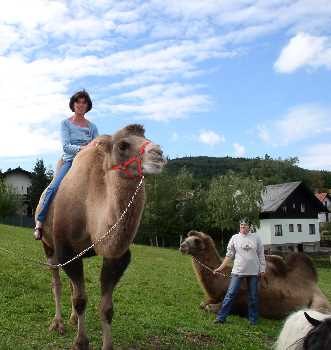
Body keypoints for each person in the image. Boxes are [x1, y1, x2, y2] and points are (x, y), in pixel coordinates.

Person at [33, 90, 99, 240]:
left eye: (84, 102)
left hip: (89, 163)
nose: (81, 105)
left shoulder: (92, 127)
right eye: (78, 102)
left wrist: (93, 148)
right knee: (54, 187)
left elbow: (97, 145)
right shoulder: (65, 124)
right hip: (70, 162)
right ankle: (40, 222)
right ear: (73, 104)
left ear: (88, 106)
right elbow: (66, 147)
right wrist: (85, 148)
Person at [213, 218, 266, 325]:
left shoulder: (256, 238)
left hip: (253, 272)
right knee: (230, 294)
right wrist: (220, 268)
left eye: (245, 226)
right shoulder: (235, 238)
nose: (242, 228)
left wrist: (262, 269)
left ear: (249, 227)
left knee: (253, 296)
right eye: (241, 226)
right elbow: (229, 256)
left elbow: (261, 254)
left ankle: (253, 320)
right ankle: (221, 318)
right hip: (238, 271)